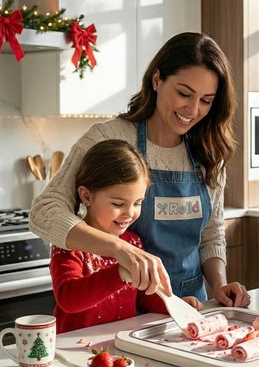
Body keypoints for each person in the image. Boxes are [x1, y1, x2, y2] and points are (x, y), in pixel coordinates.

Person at [31, 32, 250, 308]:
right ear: (157, 80)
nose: (193, 109)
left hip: (190, 310)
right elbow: (44, 212)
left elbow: (211, 233)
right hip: (121, 314)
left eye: (206, 100)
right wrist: (121, 250)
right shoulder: (108, 137)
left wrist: (219, 285)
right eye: (184, 93)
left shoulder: (209, 151)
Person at [50, 140, 183, 333]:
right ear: (86, 196)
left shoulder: (133, 241)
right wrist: (119, 274)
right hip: (72, 348)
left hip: (120, 345)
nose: (130, 213)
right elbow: (68, 299)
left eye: (137, 203)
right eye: (118, 204)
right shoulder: (69, 243)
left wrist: (174, 306)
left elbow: (143, 296)